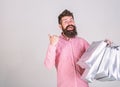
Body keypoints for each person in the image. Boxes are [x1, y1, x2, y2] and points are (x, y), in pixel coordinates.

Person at [44, 9, 90, 87]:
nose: (69, 23)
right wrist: (52, 45)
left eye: (71, 20)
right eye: (65, 21)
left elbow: (96, 58)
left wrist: (104, 45)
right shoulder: (56, 42)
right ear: (60, 26)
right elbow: (48, 65)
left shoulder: (82, 42)